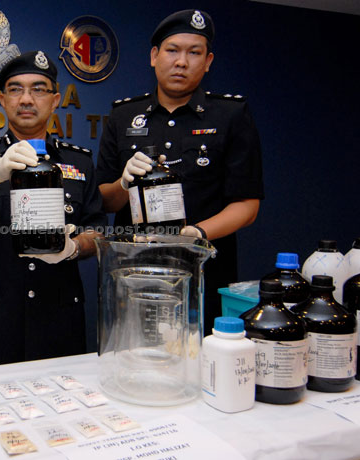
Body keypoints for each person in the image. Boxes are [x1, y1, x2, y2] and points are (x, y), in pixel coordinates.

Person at [96, 9, 264, 335]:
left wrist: (198, 233)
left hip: (203, 273)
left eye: (194, 52)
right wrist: (123, 183)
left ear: (208, 60)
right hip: (135, 271)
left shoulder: (231, 115)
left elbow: (247, 205)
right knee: (133, 363)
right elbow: (104, 201)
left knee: (200, 366)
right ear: (154, 56)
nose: (182, 61)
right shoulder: (123, 115)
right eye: (172, 50)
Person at [0, 51, 106, 367]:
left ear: (55, 100)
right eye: (15, 89)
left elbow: (96, 232)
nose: (26, 99)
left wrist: (72, 248)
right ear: (2, 99)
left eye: (38, 89)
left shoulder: (79, 161)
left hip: (58, 319)